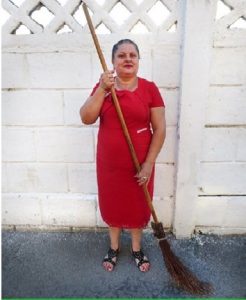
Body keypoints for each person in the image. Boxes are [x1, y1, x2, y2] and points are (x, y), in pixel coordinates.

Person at [80, 39, 166, 272]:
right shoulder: (103, 87)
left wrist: (148, 164)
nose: (127, 59)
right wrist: (101, 89)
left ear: (138, 60)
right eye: (121, 55)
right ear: (113, 61)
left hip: (141, 163)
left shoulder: (150, 89)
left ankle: (137, 248)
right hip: (110, 164)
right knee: (113, 204)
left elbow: (160, 129)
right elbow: (86, 117)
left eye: (132, 55)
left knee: (138, 205)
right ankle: (114, 247)